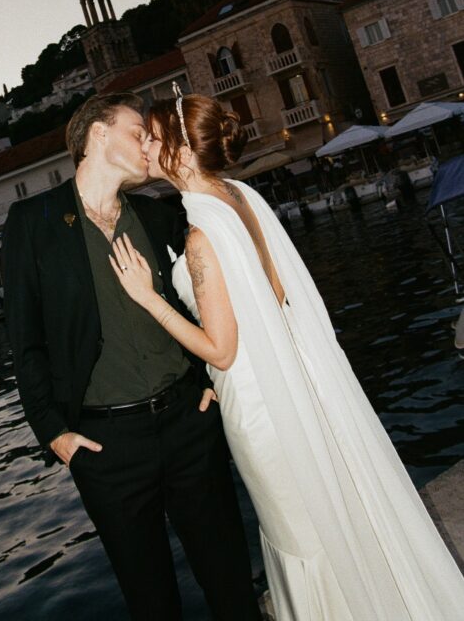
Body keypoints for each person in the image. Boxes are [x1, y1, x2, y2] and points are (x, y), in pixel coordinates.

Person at [110, 87, 464, 621]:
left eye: (154, 139)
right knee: (321, 521)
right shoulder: (240, 196)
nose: (146, 149)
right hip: (286, 378)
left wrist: (147, 297)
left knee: (298, 535)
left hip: (258, 403)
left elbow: (222, 350)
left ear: (181, 152)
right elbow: (272, 298)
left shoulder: (203, 234)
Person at [2, 92, 261, 621]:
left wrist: (208, 376)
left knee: (230, 581)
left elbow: (203, 300)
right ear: (99, 134)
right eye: (137, 132)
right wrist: (55, 433)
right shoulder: (32, 221)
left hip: (190, 424)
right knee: (151, 601)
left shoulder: (160, 215)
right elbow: (25, 342)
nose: (149, 144)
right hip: (105, 447)